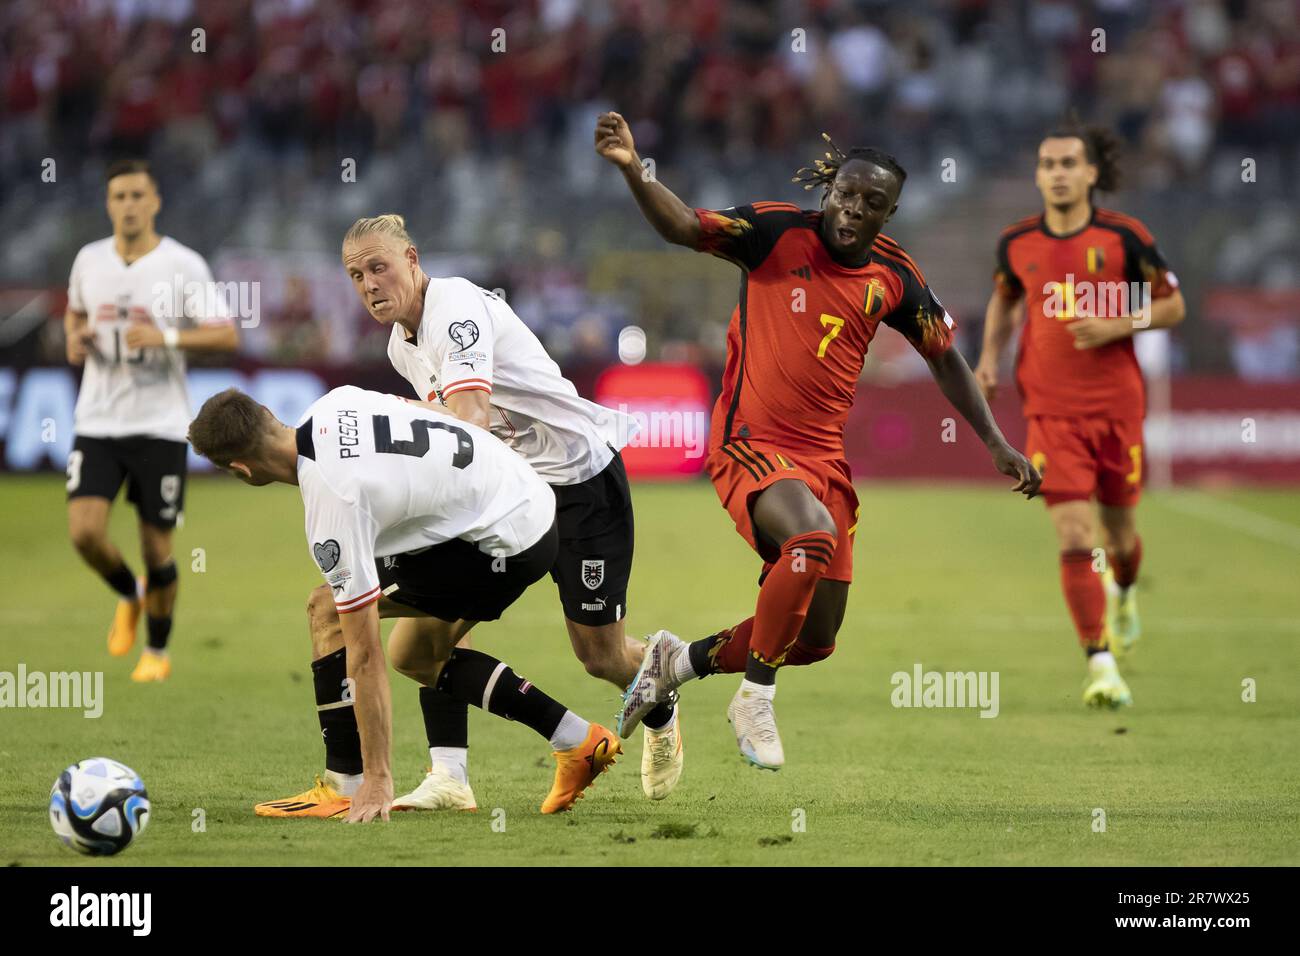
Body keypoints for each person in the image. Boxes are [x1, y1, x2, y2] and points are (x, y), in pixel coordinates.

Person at [596, 112, 1040, 768]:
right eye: (847, 194)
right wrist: (636, 170)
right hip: (750, 438)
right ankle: (754, 698)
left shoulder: (897, 277)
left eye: (872, 203)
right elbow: (685, 225)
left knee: (814, 637)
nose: (853, 210)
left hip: (822, 459)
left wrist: (995, 440)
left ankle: (675, 662)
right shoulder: (776, 231)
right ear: (829, 189)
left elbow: (945, 357)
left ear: (888, 214)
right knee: (810, 537)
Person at [187, 385, 621, 822]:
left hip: (503, 543)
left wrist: (379, 777)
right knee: (414, 655)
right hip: (527, 495)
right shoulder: (336, 400)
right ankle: (577, 740)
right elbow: (432, 411)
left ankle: (346, 783)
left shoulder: (332, 496)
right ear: (267, 411)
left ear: (241, 469)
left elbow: (362, 652)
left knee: (328, 612)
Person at [974, 121, 1185, 708]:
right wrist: (989, 359)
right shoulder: (1017, 242)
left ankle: (1123, 590)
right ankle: (1099, 661)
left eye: (1069, 163)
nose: (1058, 173)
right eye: (1047, 164)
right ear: (1038, 175)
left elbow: (1173, 304)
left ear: (1092, 172)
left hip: (1117, 410)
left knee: (1119, 537)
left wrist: (1122, 321)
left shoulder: (1125, 237)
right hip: (1050, 412)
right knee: (1074, 531)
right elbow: (1005, 297)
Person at [65, 159, 239, 682]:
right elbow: (75, 312)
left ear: (156, 201)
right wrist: (76, 336)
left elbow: (225, 334)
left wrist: (164, 337)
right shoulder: (89, 260)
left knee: (156, 547)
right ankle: (128, 592)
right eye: (119, 196)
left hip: (160, 423)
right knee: (84, 534)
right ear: (108, 204)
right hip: (97, 419)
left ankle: (157, 652)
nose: (129, 205)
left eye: (138, 195)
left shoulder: (182, 264)